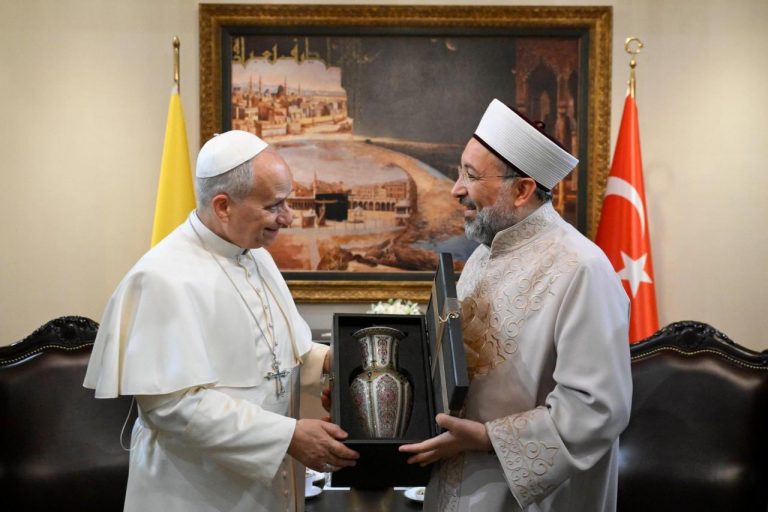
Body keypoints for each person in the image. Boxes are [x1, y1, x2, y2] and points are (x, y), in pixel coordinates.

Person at [83, 130, 359, 512]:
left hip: (266, 485)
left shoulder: (254, 253)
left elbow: (279, 355)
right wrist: (287, 436)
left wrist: (330, 361)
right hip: (195, 491)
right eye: (274, 205)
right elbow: (173, 406)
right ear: (224, 206)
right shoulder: (161, 278)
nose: (288, 217)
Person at [400, 99, 632, 511]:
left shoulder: (583, 269)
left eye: (471, 176)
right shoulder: (483, 254)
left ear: (522, 190)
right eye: (460, 171)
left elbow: (597, 409)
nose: (456, 189)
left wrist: (486, 438)